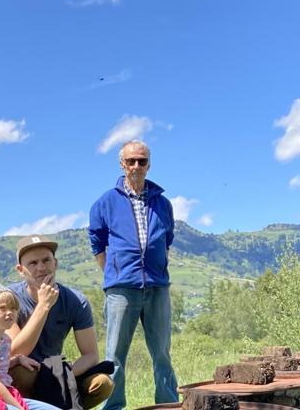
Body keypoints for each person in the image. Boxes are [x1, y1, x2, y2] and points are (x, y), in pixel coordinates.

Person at [88, 140, 178, 410]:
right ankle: (114, 407)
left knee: (162, 353)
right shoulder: (105, 202)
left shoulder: (163, 204)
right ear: (122, 164)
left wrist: (157, 270)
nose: (136, 166)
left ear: (149, 164)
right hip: (121, 290)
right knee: (114, 356)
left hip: (157, 288)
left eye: (142, 161)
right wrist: (114, 273)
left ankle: (168, 405)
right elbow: (97, 243)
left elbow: (167, 240)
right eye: (131, 161)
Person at [7, 236, 113, 410]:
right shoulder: (9, 299)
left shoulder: (76, 301)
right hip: (23, 371)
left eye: (46, 260)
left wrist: (65, 373)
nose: (41, 267)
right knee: (21, 373)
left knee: (103, 383)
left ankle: (64, 404)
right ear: (20, 270)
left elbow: (91, 355)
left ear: (55, 263)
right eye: (33, 263)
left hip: (56, 372)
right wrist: (43, 306)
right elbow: (16, 351)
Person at [0, 284, 62, 410]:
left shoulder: (5, 340)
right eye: (2, 308)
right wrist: (18, 407)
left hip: (1, 393)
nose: (9, 313)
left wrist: (17, 360)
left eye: (13, 308)